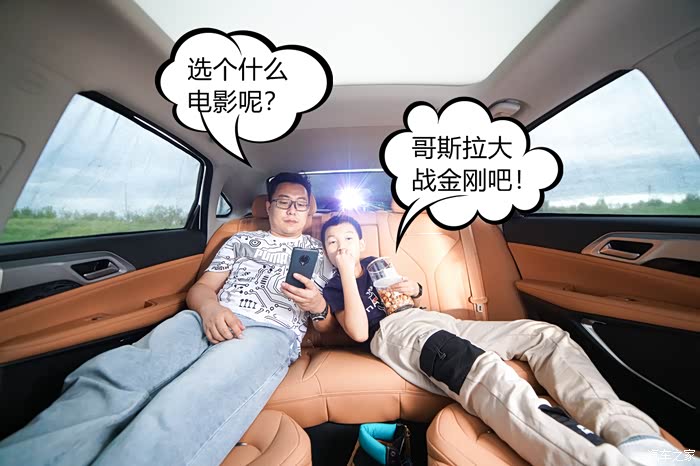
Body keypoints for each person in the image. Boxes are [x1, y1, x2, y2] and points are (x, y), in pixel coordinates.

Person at [0, 172, 335, 466]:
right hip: (204, 318)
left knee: (190, 396)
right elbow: (202, 288)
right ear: (268, 207)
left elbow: (330, 327)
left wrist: (317, 304)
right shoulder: (240, 240)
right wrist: (210, 309)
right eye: (283, 202)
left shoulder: (324, 252)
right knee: (119, 374)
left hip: (268, 331)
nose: (291, 210)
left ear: (310, 210)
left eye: (300, 204)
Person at [319, 214, 697, 466]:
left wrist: (414, 287)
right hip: (394, 332)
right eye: (333, 242)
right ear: (327, 251)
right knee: (481, 368)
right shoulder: (336, 284)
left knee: (545, 334)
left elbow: (410, 296)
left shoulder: (377, 263)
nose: (342, 245)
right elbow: (359, 332)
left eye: (349, 237)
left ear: (362, 240)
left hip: (431, 317)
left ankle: (637, 439)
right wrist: (346, 272)